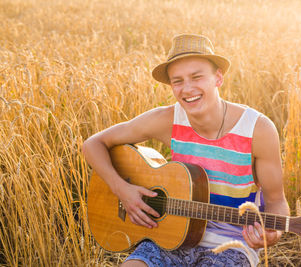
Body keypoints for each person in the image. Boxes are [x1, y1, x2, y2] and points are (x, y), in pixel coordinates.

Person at [82, 34, 290, 267]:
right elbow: (93, 144)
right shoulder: (166, 120)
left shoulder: (258, 130)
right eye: (177, 81)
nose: (187, 88)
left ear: (218, 78)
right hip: (168, 235)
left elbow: (276, 201)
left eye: (197, 77)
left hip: (232, 245)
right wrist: (123, 190)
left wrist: (272, 233)